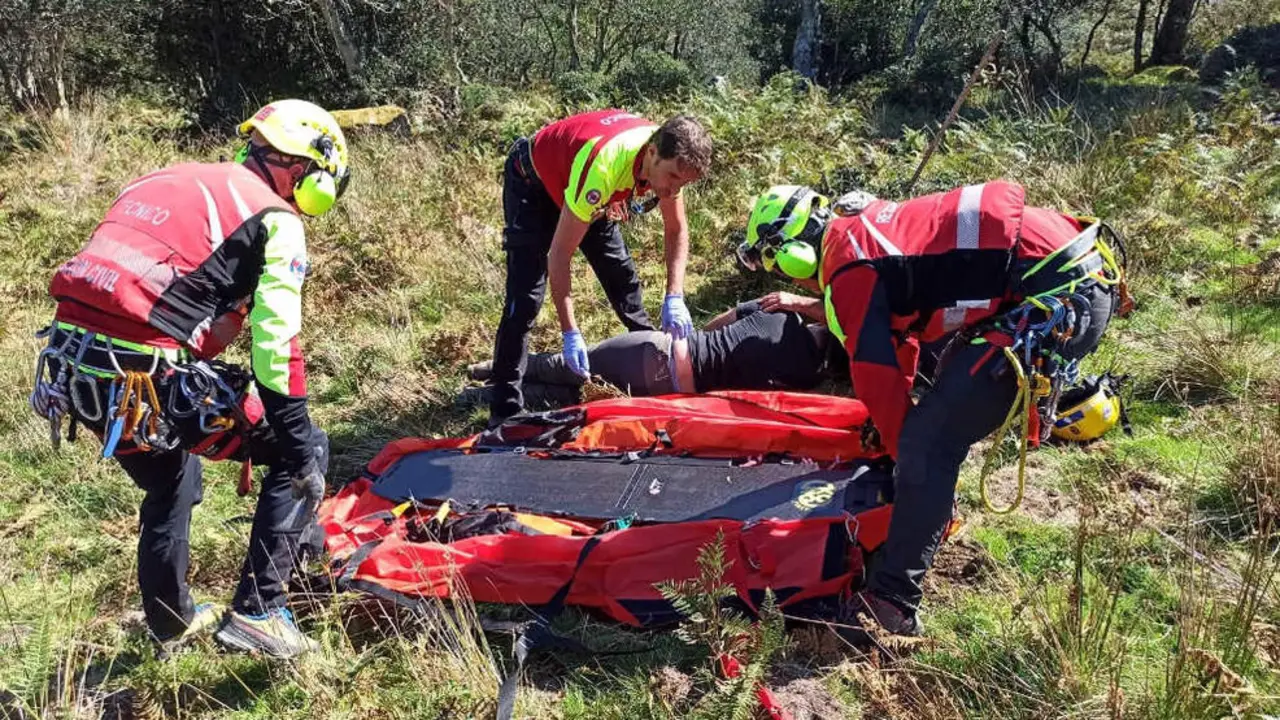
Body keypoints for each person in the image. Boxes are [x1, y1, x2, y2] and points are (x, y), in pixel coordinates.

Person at [30, 99, 351, 658]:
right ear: (307, 168)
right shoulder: (276, 220)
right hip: (142, 376)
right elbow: (277, 348)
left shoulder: (164, 175)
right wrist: (296, 438)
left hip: (69, 363)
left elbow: (166, 303)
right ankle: (260, 612)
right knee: (303, 452)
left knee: (171, 476)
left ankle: (170, 621)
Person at [738, 181, 1124, 635]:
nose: (793, 280)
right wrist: (891, 431)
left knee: (927, 443)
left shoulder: (848, 273)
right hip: (1067, 266)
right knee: (936, 408)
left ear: (792, 254)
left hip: (1057, 296)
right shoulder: (857, 232)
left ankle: (892, 601)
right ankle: (927, 511)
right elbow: (901, 345)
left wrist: (906, 453)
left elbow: (874, 375)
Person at [488, 109, 712, 425]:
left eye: (683, 183)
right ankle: (504, 410)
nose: (674, 190)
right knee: (525, 299)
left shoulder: (670, 154)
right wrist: (570, 332)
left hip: (593, 188)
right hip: (534, 182)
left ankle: (650, 356)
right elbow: (560, 256)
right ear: (651, 152)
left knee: (621, 275)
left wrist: (675, 296)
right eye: (673, 178)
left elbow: (676, 229)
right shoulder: (605, 167)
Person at [463, 294, 844, 408]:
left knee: (562, 366)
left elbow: (717, 324)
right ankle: (477, 397)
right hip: (665, 395)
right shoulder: (805, 380)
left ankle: (486, 370)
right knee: (565, 397)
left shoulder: (777, 311)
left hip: (654, 352)